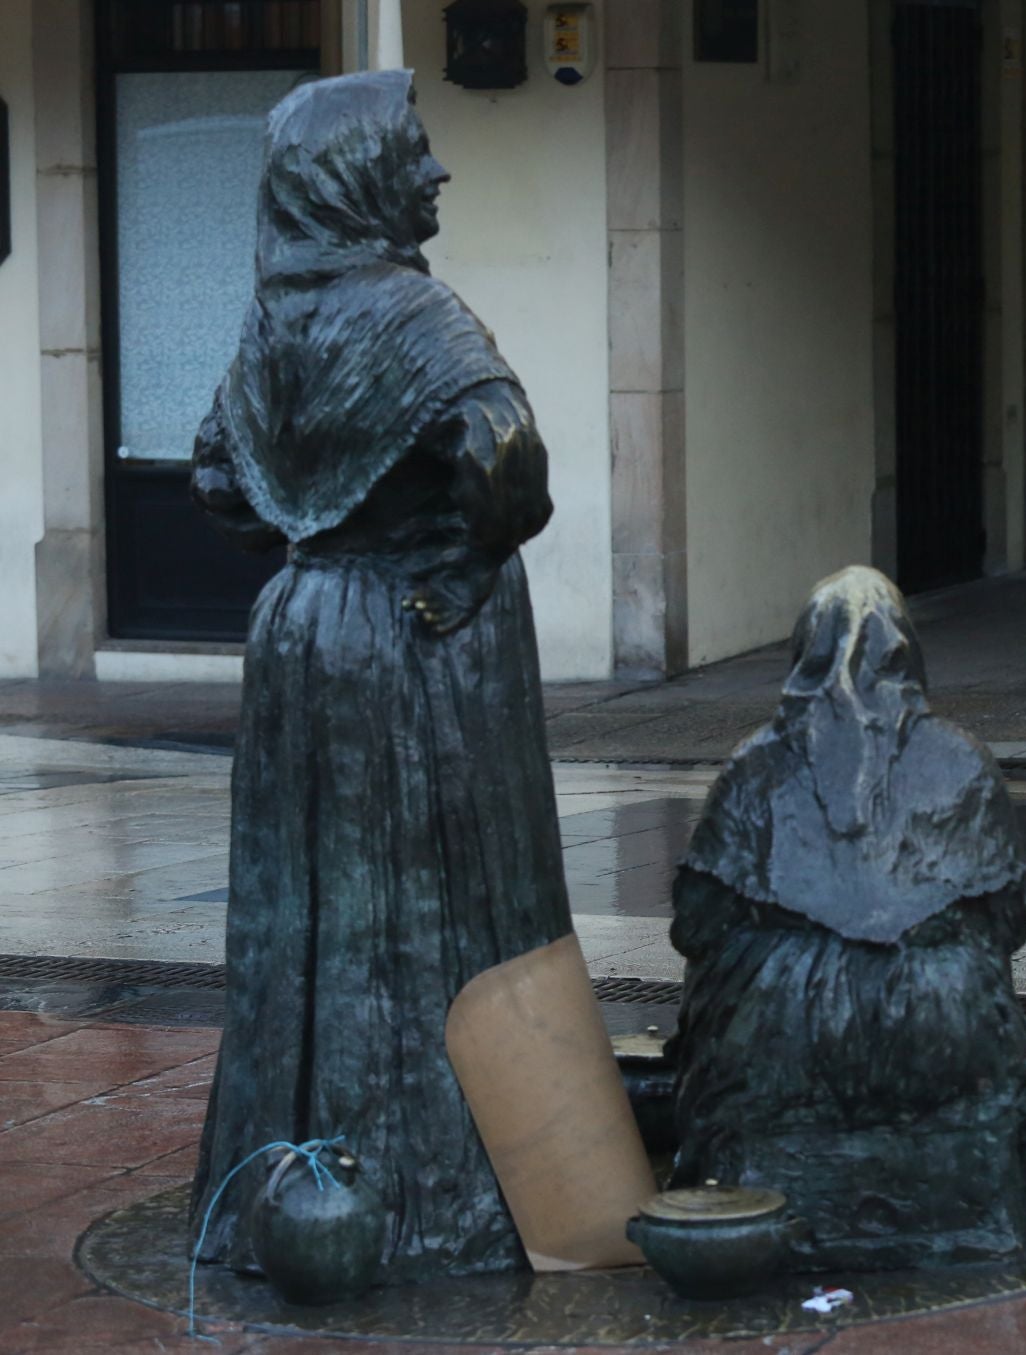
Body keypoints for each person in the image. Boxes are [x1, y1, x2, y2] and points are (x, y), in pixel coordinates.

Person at [188, 71, 571, 1282]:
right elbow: (505, 456)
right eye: (415, 146)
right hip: (412, 647)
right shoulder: (414, 318)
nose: (437, 169)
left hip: (300, 636)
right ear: (357, 173)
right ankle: (433, 1193)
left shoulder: (272, 318)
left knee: (308, 916)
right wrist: (450, 565)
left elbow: (215, 476)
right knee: (430, 909)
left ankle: (294, 1181)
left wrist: (315, 542)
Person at [670, 567, 1026, 1270]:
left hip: (780, 1026)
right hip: (938, 1016)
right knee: (972, 981)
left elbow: (695, 923)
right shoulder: (964, 762)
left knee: (725, 987)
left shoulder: (755, 766)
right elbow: (1008, 920)